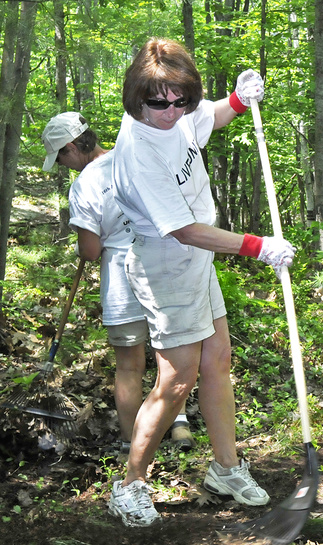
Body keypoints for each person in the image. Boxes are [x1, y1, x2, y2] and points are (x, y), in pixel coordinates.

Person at [107, 38, 296, 528]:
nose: (171, 111)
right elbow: (181, 229)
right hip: (166, 260)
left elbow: (201, 121)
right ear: (137, 96)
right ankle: (130, 485)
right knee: (176, 378)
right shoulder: (137, 149)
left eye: (180, 99)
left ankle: (225, 468)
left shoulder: (178, 113)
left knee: (218, 359)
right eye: (158, 102)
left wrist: (235, 101)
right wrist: (257, 246)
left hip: (195, 260)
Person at [41, 112, 196, 454]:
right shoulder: (136, 155)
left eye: (62, 157)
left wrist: (84, 243)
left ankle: (132, 445)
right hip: (164, 264)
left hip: (123, 276)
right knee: (168, 354)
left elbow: (91, 250)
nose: (65, 165)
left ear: (71, 147)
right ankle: (179, 424)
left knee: (129, 366)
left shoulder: (84, 185)